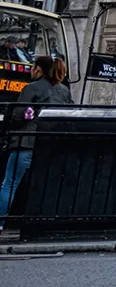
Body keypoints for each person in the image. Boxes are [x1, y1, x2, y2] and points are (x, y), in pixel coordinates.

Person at [1, 56, 73, 229]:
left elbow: (18, 115)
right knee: (41, 185)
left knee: (10, 183)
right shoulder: (64, 91)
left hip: (26, 142)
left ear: (38, 69)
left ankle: (1, 223)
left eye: (33, 67)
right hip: (49, 145)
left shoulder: (31, 88)